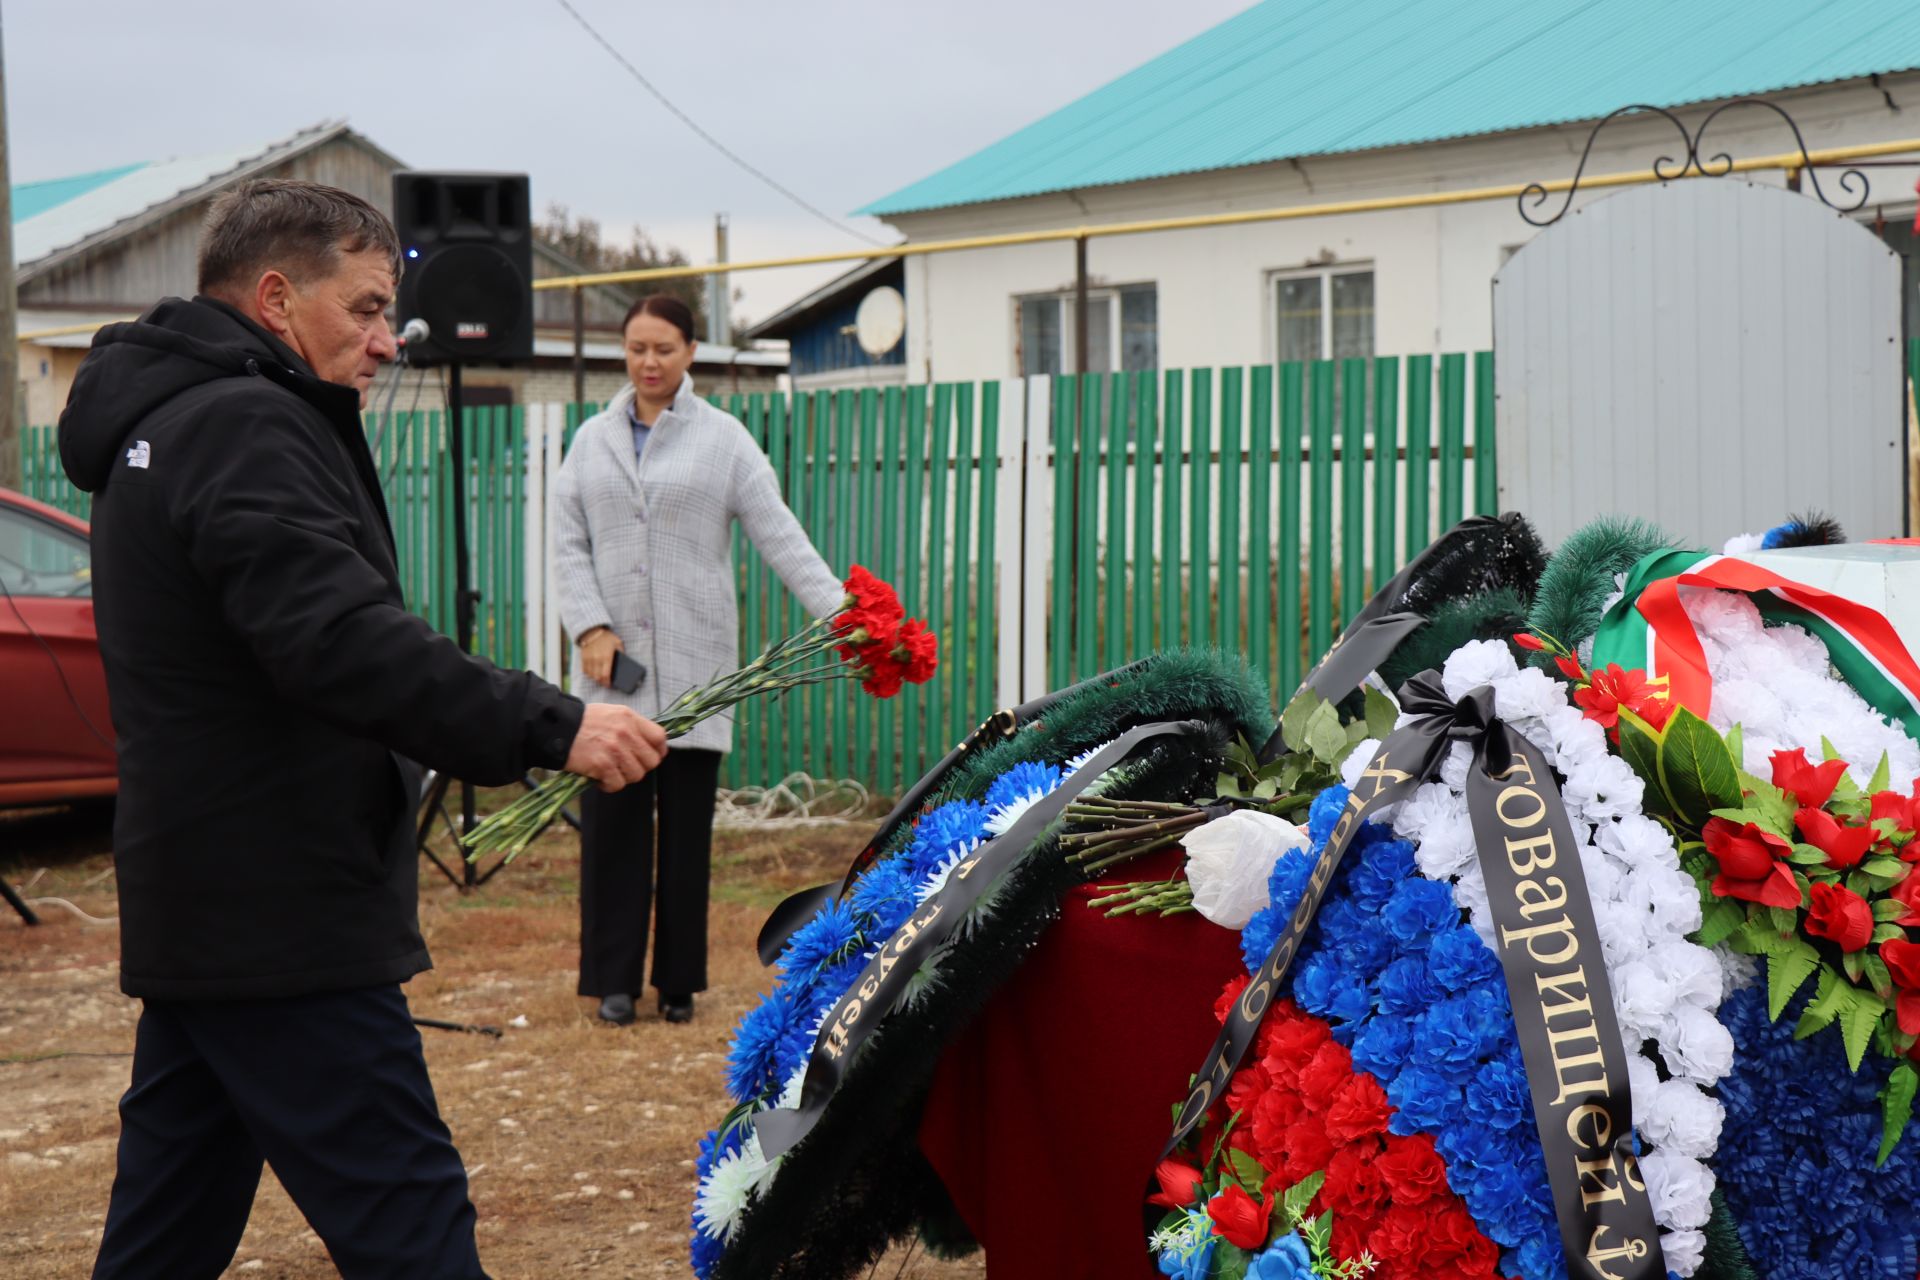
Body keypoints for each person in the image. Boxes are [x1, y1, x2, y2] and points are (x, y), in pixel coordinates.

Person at [58, 178, 668, 1280]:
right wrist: (552, 721)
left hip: (208, 901)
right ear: (279, 297)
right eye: (367, 308)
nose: (389, 341)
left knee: (164, 1234)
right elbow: (337, 637)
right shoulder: (243, 421)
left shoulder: (169, 420)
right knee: (415, 1231)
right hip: (284, 911)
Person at [554, 294, 845, 1026]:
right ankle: (613, 980)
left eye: (663, 349)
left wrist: (848, 617)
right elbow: (565, 543)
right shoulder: (590, 440)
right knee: (614, 829)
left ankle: (678, 979)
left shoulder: (726, 441)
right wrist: (588, 625)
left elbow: (780, 536)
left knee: (685, 833)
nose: (648, 363)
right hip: (609, 673)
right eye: (636, 349)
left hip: (697, 669)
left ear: (690, 353)